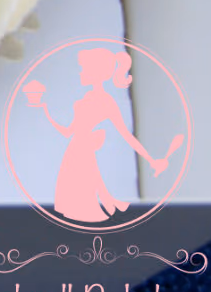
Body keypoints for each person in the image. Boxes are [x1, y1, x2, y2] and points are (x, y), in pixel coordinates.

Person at [23, 47, 171, 223]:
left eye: (83, 68)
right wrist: (45, 111)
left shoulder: (106, 101)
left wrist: (150, 159)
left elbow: (125, 134)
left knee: (84, 204)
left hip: (83, 153)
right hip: (74, 152)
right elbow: (69, 131)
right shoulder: (84, 99)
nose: (80, 72)